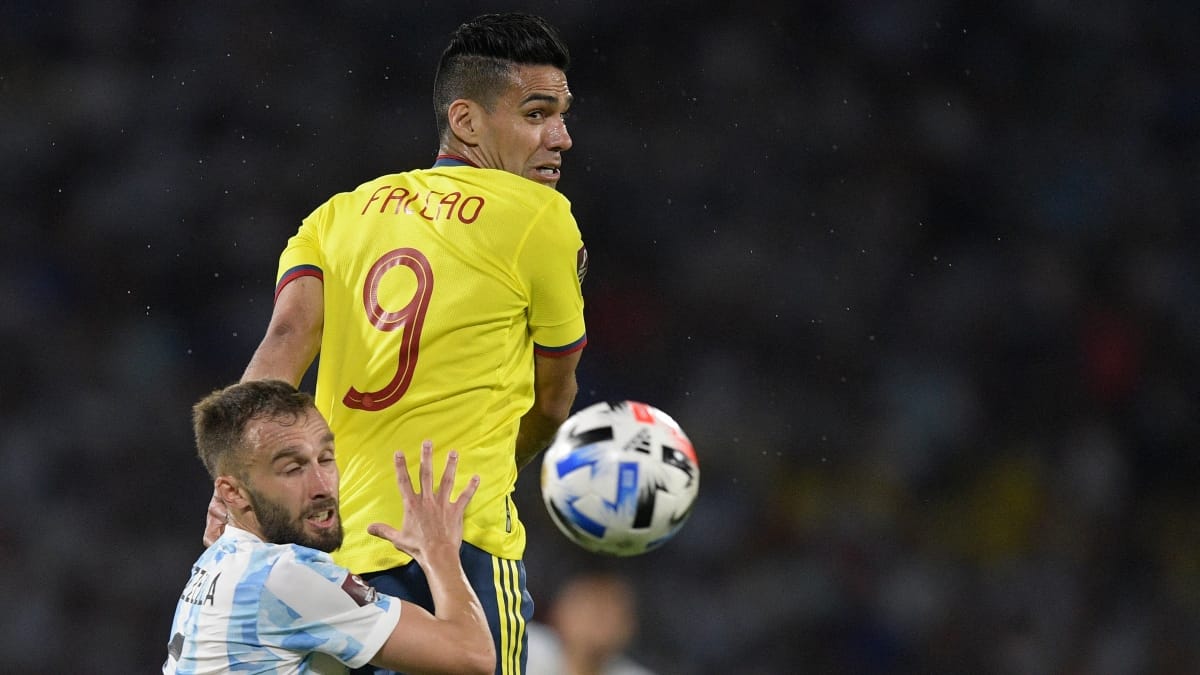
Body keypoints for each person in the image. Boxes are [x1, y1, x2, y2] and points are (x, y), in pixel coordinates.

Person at [203, 12, 587, 675]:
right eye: (536, 113)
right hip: (458, 550)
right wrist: (504, 458)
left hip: (334, 569)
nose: (562, 136)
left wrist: (235, 482)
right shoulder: (541, 218)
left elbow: (285, 341)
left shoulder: (336, 215)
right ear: (466, 121)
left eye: (561, 114)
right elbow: (555, 400)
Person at [166, 379, 495, 674]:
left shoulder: (216, 560)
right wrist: (439, 550)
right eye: (293, 468)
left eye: (325, 458)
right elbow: (472, 657)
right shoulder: (284, 576)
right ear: (233, 493)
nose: (322, 484)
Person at [525, 571, 657, 675]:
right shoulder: (523, 647)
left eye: (610, 614)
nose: (597, 624)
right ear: (559, 611)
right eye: (591, 610)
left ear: (630, 627)